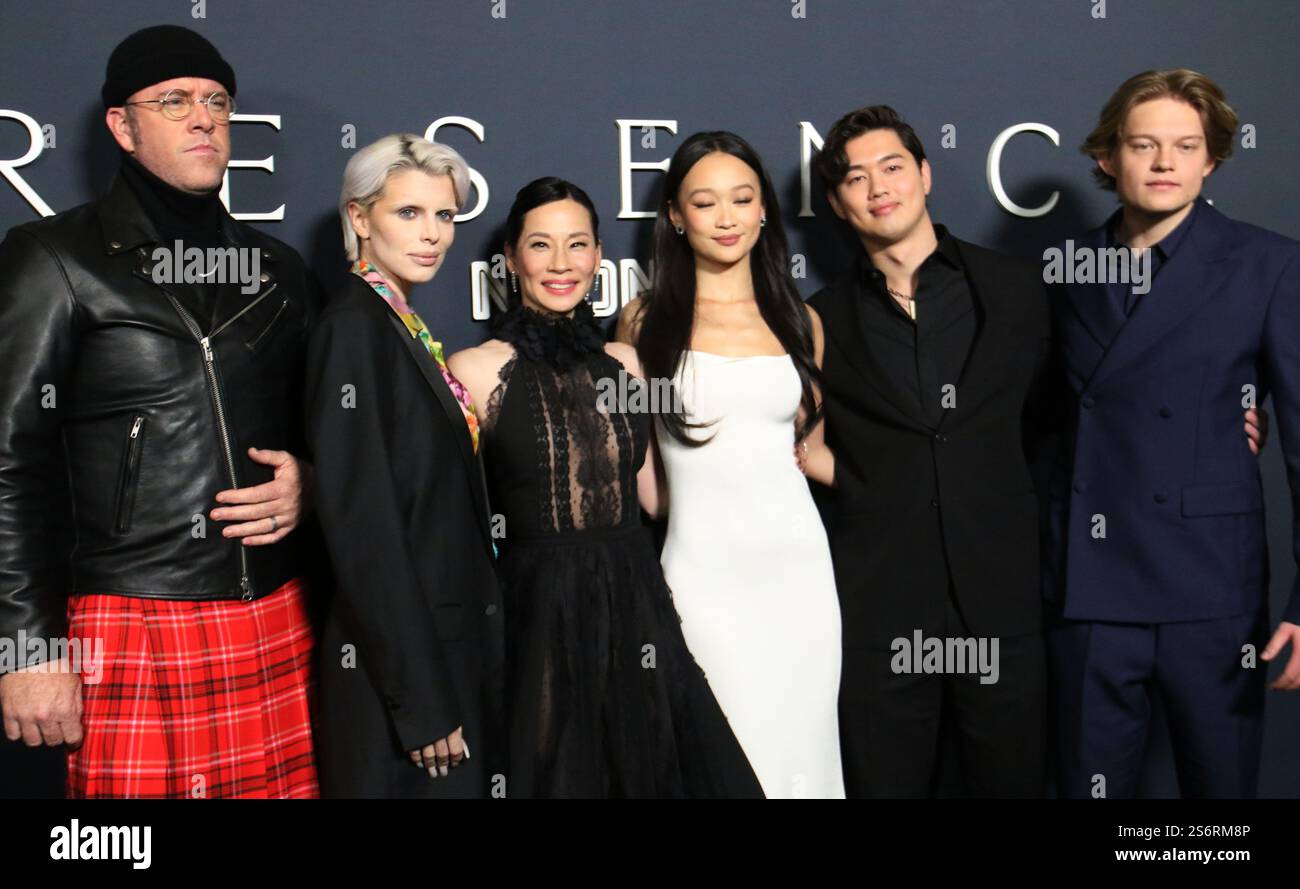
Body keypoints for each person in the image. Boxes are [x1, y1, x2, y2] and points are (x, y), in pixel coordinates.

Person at [0, 25, 320, 798]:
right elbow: (9, 460)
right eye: (174, 100)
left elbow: (329, 424)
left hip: (278, 612)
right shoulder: (53, 258)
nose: (203, 117)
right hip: (128, 619)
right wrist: (24, 649)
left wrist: (308, 480)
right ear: (122, 124)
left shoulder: (277, 268)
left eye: (216, 101)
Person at [447, 177, 762, 798]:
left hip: (635, 599)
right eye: (541, 245)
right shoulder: (474, 369)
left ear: (597, 256)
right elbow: (451, 518)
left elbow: (654, 498)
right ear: (511, 259)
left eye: (577, 245)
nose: (561, 264)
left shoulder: (626, 362)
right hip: (535, 612)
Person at [1047, 69, 1300, 798]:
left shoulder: (1268, 264)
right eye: (1144, 145)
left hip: (1210, 588)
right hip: (1089, 589)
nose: (1164, 163)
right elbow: (1037, 426)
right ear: (1107, 156)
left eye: (1185, 146)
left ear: (1210, 159)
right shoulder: (1063, 272)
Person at [804, 105, 1056, 798]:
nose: (878, 186)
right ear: (836, 201)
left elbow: (1064, 421)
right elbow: (798, 443)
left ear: (925, 174)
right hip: (879, 610)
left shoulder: (1016, 287)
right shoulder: (818, 318)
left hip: (1002, 603)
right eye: (856, 178)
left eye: (892, 167)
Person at [617, 132, 845, 799]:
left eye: (742, 198)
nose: (725, 217)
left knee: (801, 760)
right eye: (705, 201)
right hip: (701, 579)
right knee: (719, 765)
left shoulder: (802, 321)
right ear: (675, 217)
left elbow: (813, 451)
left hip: (800, 578)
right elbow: (645, 484)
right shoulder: (642, 322)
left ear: (764, 209)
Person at [305, 134, 503, 798]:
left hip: (439, 655)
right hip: (402, 680)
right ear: (359, 218)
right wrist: (421, 700)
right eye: (408, 213)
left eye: (444, 216)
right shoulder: (354, 328)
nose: (433, 235)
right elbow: (364, 527)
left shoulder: (397, 322)